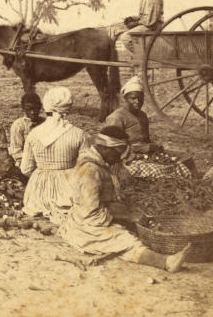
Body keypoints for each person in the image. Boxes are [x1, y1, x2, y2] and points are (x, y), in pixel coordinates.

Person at [58, 126, 190, 272]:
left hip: (95, 214)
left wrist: (129, 214)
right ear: (106, 148)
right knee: (126, 240)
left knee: (130, 231)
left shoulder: (99, 163)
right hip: (87, 223)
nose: (120, 158)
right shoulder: (90, 169)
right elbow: (91, 210)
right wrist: (129, 216)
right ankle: (165, 262)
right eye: (119, 152)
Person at [21, 87, 89, 223]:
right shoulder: (79, 134)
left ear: (46, 106)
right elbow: (86, 168)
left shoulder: (34, 134)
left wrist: (44, 173)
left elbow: (26, 169)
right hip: (69, 190)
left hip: (38, 193)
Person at [117, 0, 164, 79]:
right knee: (122, 30)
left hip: (153, 26)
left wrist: (135, 24)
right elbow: (144, 15)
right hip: (148, 24)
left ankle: (142, 60)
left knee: (126, 37)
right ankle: (142, 58)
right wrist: (132, 18)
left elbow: (150, 19)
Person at [103, 77, 158, 155]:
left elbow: (146, 140)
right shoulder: (116, 118)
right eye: (133, 98)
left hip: (143, 155)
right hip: (122, 158)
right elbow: (111, 146)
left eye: (140, 98)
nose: (137, 101)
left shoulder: (143, 116)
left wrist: (153, 147)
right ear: (125, 99)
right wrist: (140, 149)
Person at [8, 92, 43, 165]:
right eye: (28, 109)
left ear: (40, 107)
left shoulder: (44, 123)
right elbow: (16, 149)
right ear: (23, 109)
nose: (32, 112)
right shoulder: (18, 125)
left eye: (35, 109)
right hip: (26, 161)